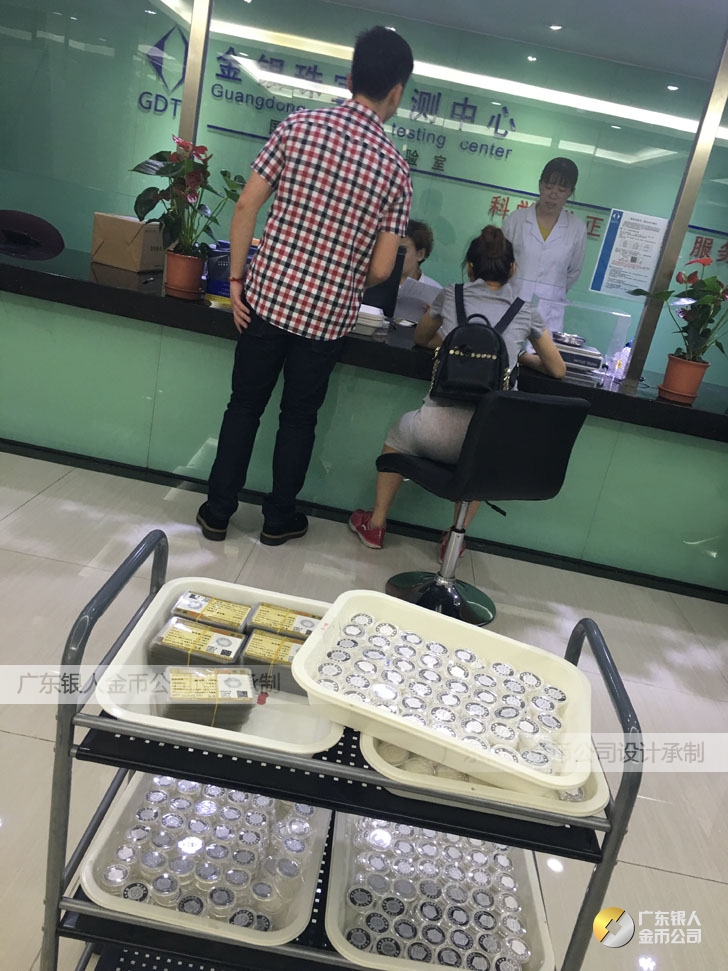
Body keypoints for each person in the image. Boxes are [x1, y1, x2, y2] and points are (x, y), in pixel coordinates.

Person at [196, 26, 414, 545]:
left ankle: (218, 513)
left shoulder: (298, 127)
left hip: (265, 302)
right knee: (298, 418)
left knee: (243, 407)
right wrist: (343, 277)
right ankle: (277, 521)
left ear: (350, 78)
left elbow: (246, 206)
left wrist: (236, 280)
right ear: (396, 92)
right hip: (326, 319)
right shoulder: (396, 171)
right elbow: (383, 270)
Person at [349, 225, 565, 553]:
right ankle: (454, 538)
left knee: (397, 436)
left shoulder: (452, 294)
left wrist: (455, 347)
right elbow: (558, 369)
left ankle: (376, 524)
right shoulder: (525, 310)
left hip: (433, 432)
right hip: (485, 441)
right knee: (482, 461)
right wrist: (518, 355)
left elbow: (421, 338)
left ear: (470, 268)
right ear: (512, 269)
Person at [503, 157, 587, 333]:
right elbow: (501, 262)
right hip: (510, 307)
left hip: (550, 316)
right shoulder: (516, 220)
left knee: (541, 349)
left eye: (561, 189)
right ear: (540, 185)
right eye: (549, 186)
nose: (553, 194)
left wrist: (551, 290)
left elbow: (573, 273)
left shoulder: (577, 228)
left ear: (570, 192)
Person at [400, 219, 439, 288]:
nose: (392, 255)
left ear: (420, 254)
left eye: (401, 250)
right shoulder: (379, 284)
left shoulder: (434, 291)